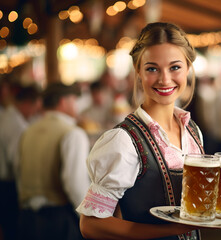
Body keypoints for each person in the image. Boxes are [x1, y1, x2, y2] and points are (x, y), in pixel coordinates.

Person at [77, 22, 205, 240]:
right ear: (138, 71)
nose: (165, 79)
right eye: (152, 68)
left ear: (188, 68)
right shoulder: (123, 140)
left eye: (175, 67)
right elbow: (90, 225)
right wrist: (169, 231)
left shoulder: (193, 130)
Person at [17, 82, 91, 240]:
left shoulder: (28, 131)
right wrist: (89, 220)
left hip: (27, 218)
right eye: (74, 99)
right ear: (64, 102)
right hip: (58, 219)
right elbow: (74, 183)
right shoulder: (73, 134)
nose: (77, 105)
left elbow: (19, 173)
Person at [0, 83, 42, 240]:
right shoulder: (15, 124)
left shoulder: (8, 116)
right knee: (13, 229)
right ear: (26, 103)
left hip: (7, 183)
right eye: (35, 109)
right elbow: (18, 161)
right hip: (8, 185)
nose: (33, 114)